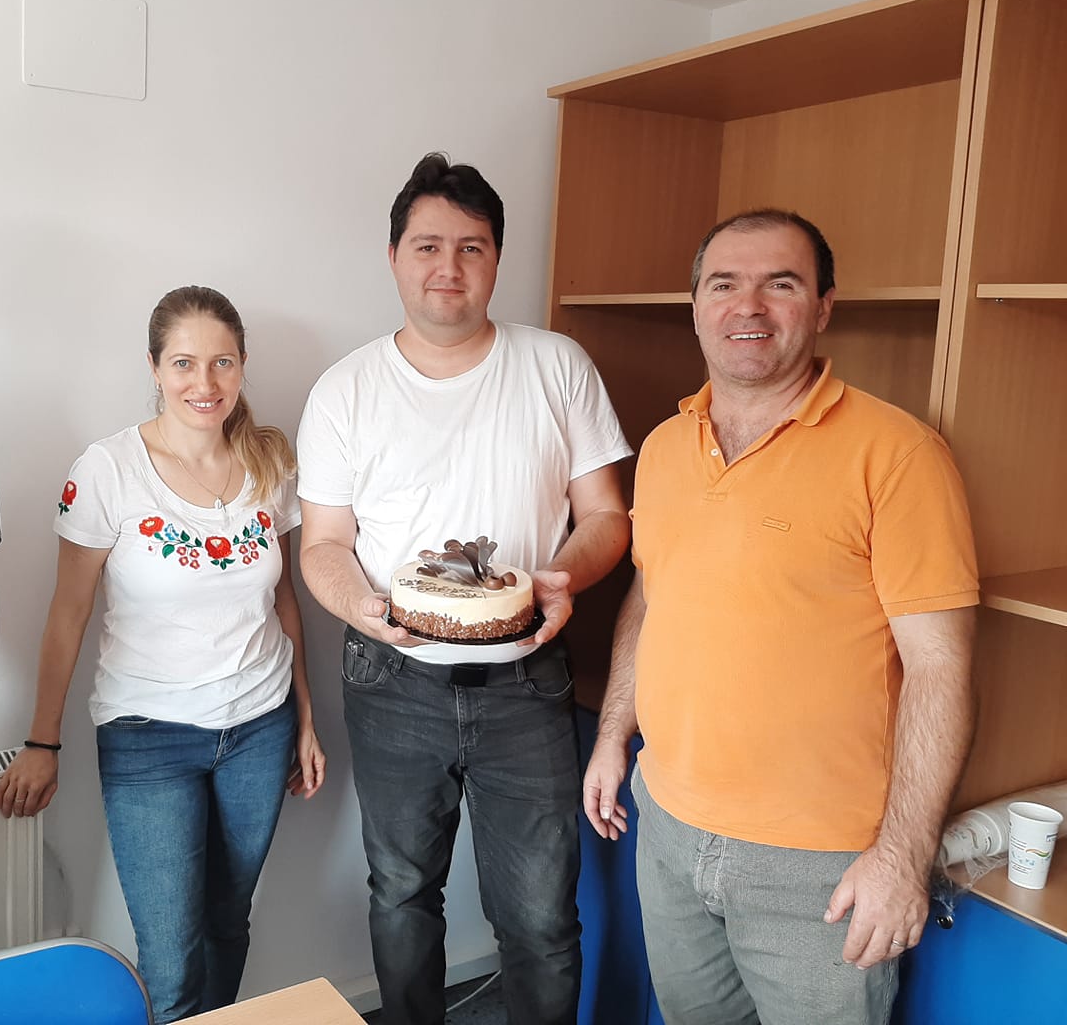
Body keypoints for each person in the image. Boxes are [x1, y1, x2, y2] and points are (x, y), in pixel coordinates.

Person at [581, 209, 978, 1024]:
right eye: (724, 284)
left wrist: (902, 856)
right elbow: (651, 598)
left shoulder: (898, 455)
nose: (748, 306)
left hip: (819, 866)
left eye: (781, 284)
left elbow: (941, 666)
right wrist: (615, 731)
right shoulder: (663, 447)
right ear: (696, 304)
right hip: (668, 827)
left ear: (824, 306)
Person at [296, 152, 633, 1025]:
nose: (448, 267)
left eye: (471, 248)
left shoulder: (557, 365)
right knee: (402, 892)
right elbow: (324, 545)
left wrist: (565, 576)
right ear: (394, 257)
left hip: (527, 680)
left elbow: (607, 515)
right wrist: (365, 608)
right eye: (428, 246)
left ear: (496, 259)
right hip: (391, 680)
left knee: (542, 917)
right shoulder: (345, 390)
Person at [0, 285, 325, 1023]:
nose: (204, 383)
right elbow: (67, 614)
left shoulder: (271, 465)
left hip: (260, 729)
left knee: (228, 923)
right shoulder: (107, 470)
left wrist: (305, 718)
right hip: (149, 736)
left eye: (222, 362)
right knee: (171, 959)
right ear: (153, 367)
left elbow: (284, 603)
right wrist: (42, 741)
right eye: (183, 363)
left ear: (242, 364)